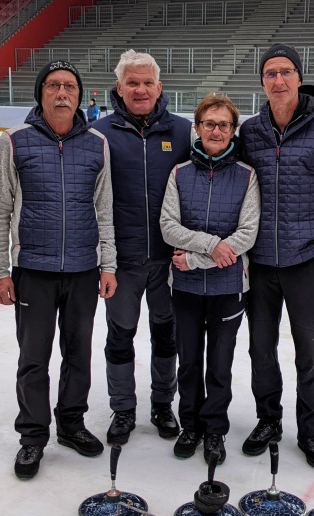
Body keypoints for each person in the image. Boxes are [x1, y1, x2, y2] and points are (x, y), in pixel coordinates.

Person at [0, 59, 117, 479]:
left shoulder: (97, 144)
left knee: (78, 354)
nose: (62, 93)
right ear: (41, 93)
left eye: (70, 87)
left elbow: (105, 211)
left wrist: (107, 264)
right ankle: (32, 436)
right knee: (34, 359)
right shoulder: (15, 141)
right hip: (33, 271)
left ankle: (72, 424)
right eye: (53, 86)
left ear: (80, 97)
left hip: (82, 270)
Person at [238, 43, 314, 469]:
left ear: (299, 77)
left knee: (309, 351)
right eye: (270, 73)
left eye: (285, 72)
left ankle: (311, 430)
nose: (278, 80)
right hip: (259, 264)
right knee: (261, 349)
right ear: (262, 82)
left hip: (308, 263)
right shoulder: (250, 131)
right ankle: (268, 419)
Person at [90, 50, 192, 445]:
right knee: (121, 335)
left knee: (166, 335)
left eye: (148, 82)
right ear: (119, 87)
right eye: (132, 82)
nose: (140, 89)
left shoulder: (183, 132)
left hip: (170, 261)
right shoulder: (99, 133)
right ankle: (123, 408)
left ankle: (163, 405)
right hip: (122, 261)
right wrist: (103, 261)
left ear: (159, 87)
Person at [160, 94, 260, 464]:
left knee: (219, 364)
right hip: (184, 288)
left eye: (224, 125)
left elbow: (247, 233)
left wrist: (196, 258)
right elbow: (169, 226)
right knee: (188, 362)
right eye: (209, 124)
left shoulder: (247, 176)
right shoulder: (179, 174)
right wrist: (212, 246)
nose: (216, 131)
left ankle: (214, 428)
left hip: (228, 287)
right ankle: (191, 425)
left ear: (233, 131)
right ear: (197, 129)